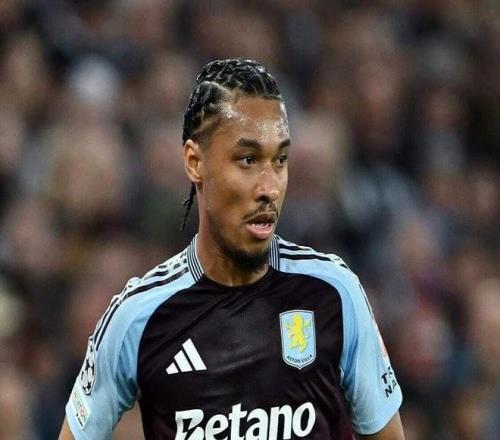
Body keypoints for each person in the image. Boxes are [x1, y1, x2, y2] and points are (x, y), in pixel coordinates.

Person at [59, 58, 404, 439]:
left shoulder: (334, 293)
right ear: (195, 162)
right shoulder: (139, 317)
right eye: (248, 160)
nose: (269, 187)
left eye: (280, 160)